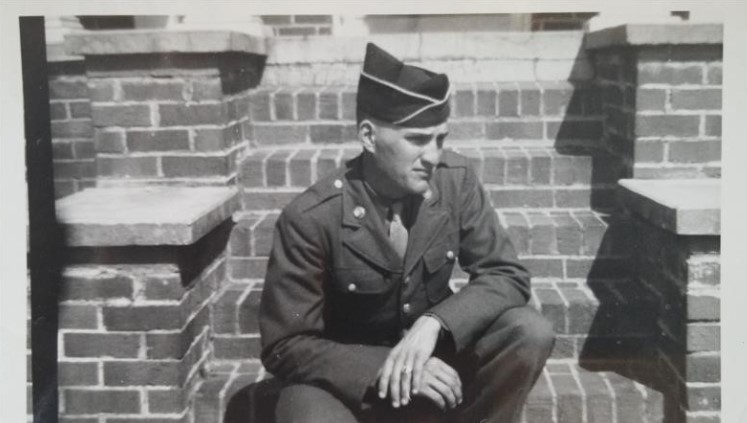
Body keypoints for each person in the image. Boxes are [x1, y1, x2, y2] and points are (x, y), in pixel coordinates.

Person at [259, 42, 555, 423]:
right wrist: (387, 366)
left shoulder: (455, 182)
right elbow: (284, 346)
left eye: (440, 139)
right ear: (368, 136)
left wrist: (435, 324)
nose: (432, 155)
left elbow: (507, 274)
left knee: (528, 331)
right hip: (349, 378)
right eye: (417, 139)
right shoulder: (311, 217)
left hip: (435, 358)